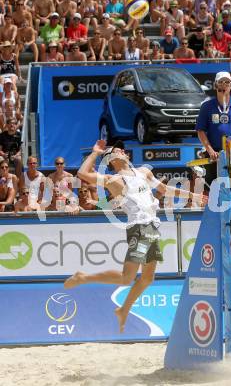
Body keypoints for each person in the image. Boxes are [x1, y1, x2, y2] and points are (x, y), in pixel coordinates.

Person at [64, 140, 207, 333]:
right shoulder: (113, 180)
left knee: (147, 278)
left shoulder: (143, 172)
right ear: (112, 160)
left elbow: (166, 190)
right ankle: (84, 277)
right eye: (116, 151)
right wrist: (95, 153)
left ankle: (123, 309)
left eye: (122, 149)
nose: (122, 151)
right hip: (139, 227)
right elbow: (82, 174)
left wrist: (194, 196)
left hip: (152, 226)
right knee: (126, 278)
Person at [196, 71, 231, 187]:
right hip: (214, 154)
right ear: (216, 85)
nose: (225, 85)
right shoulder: (206, 106)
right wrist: (210, 151)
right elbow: (200, 131)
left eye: (227, 82)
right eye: (221, 82)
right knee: (213, 190)